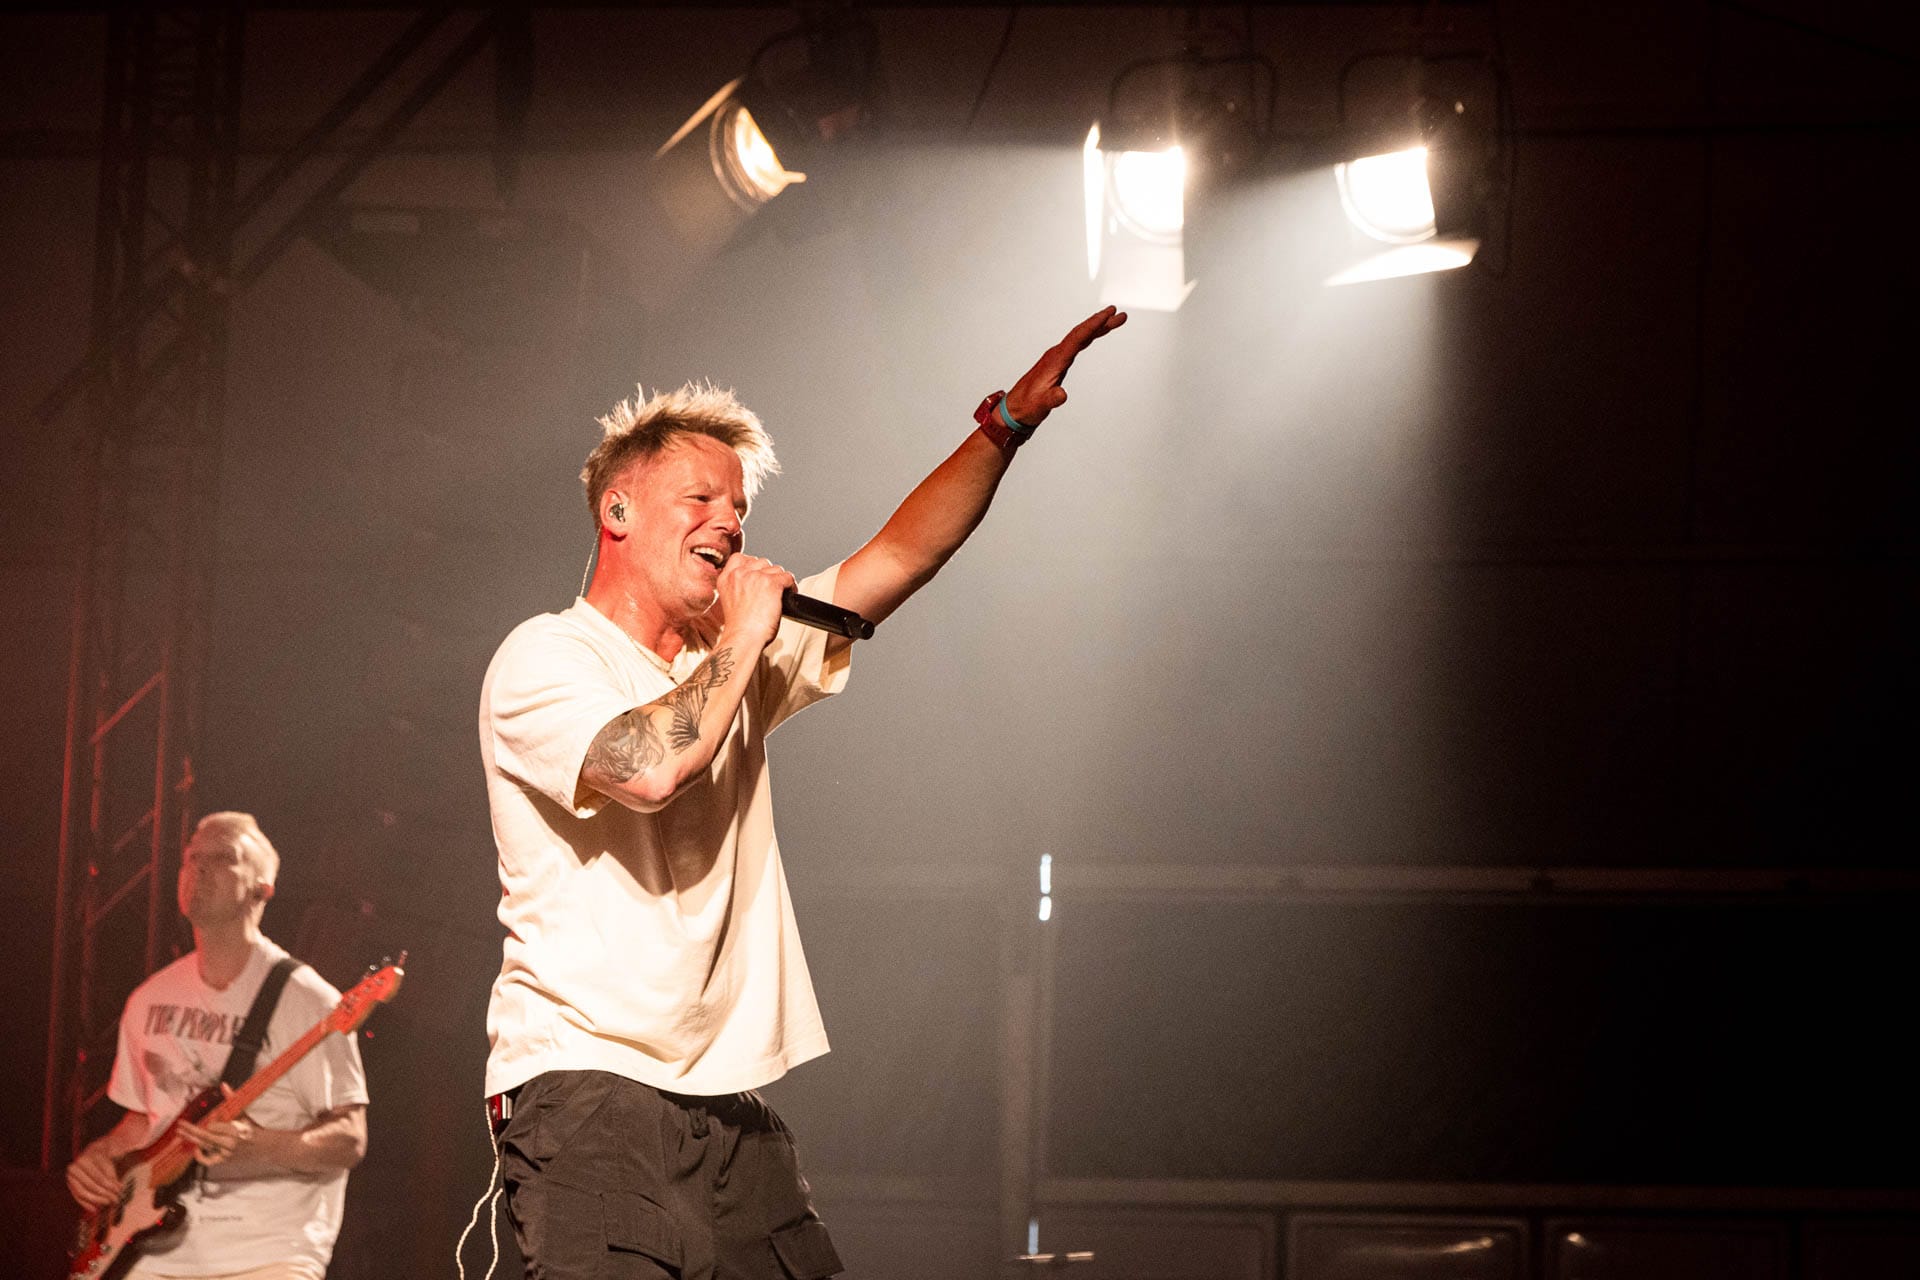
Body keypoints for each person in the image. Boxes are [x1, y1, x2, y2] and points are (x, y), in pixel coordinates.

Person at [479, 306, 1126, 1280]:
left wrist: (1005, 425)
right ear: (618, 512)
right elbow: (650, 768)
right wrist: (746, 633)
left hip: (725, 1101)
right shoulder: (546, 657)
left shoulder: (728, 654)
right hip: (586, 1082)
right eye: (700, 497)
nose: (731, 522)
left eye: (739, 505)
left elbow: (897, 557)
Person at [64, 812, 370, 1280]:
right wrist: (101, 1157)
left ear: (263, 888)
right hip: (150, 1246)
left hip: (268, 1251)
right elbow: (146, 1119)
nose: (199, 868)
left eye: (223, 857)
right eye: (191, 858)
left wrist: (259, 1144)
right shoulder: (149, 998)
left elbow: (350, 1138)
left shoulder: (309, 1001)